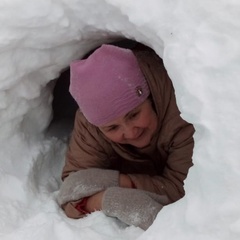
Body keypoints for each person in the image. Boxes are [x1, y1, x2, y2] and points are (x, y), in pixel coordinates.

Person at [57, 43, 195, 230]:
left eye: (134, 115)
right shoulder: (91, 126)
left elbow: (185, 189)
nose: (130, 132)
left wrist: (121, 185)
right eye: (113, 127)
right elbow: (72, 191)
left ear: (150, 98)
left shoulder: (184, 111)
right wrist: (106, 201)